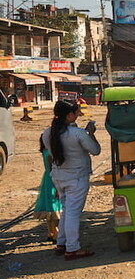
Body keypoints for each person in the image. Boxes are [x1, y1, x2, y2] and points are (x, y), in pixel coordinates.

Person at [42, 100, 101, 260]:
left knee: (67, 210)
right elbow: (95, 150)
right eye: (76, 113)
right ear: (69, 115)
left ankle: (62, 243)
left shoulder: (48, 133)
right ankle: (72, 248)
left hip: (58, 176)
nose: (77, 115)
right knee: (73, 213)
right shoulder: (77, 134)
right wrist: (91, 134)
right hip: (76, 177)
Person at [33, 134, 62, 243]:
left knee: (49, 207)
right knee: (53, 207)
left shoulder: (45, 152)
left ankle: (50, 232)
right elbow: (53, 170)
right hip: (52, 181)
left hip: (46, 179)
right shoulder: (50, 154)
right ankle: (55, 233)